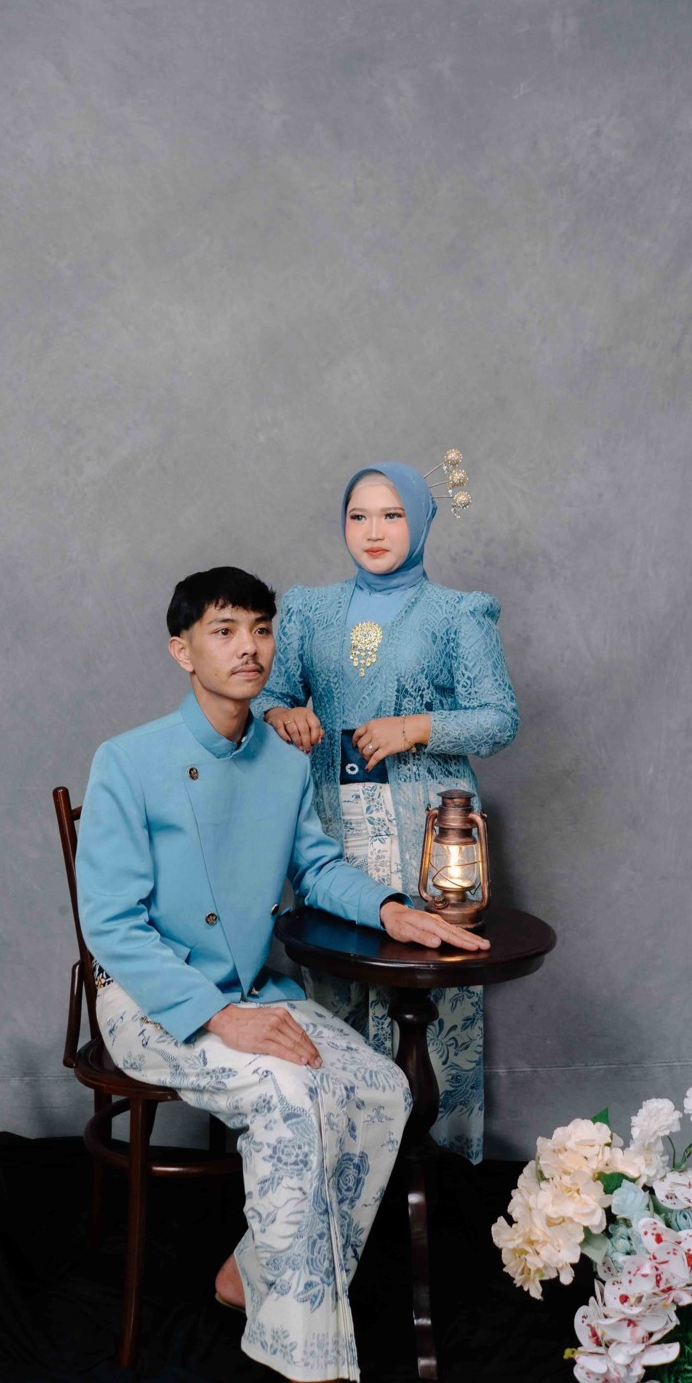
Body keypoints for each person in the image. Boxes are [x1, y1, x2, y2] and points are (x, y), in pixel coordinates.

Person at [75, 566, 487, 1383]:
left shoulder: (280, 758)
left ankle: (251, 1269)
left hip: (256, 989)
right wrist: (218, 1015)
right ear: (182, 650)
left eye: (260, 628)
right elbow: (113, 925)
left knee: (383, 1087)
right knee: (289, 1094)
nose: (249, 647)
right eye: (224, 630)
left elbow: (315, 864)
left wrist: (393, 907)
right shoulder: (128, 759)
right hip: (154, 1001)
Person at [255, 464, 518, 1161]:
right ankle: (342, 1166)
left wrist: (416, 728)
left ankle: (431, 1172)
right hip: (329, 832)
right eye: (359, 516)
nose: (373, 531)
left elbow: (499, 718)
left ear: (422, 522)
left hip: (430, 837)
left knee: (425, 993)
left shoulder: (457, 613)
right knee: (333, 986)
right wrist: (281, 715)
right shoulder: (309, 610)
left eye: (393, 515)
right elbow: (268, 694)